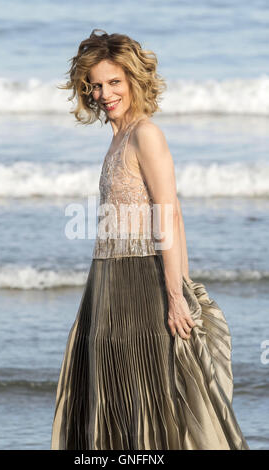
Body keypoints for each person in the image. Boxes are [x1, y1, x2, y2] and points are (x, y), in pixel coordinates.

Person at [50, 29, 249, 450]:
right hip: (105, 280)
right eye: (97, 85)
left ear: (134, 81)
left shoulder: (146, 134)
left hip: (142, 278)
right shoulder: (117, 138)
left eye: (114, 82)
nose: (104, 94)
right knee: (110, 391)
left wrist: (178, 293)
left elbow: (170, 213)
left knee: (153, 392)